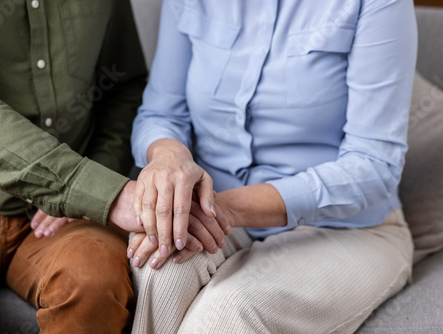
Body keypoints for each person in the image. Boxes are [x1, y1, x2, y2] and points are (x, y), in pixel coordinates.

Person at [128, 0, 417, 333]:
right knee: (158, 273)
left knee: (229, 313)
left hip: (348, 226)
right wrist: (168, 155)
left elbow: (375, 165)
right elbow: (161, 113)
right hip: (214, 214)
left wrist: (220, 208)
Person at [0, 1, 226, 332]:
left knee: (94, 280)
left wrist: (90, 189)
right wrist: (96, 191)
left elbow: (123, 87)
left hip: (71, 216)